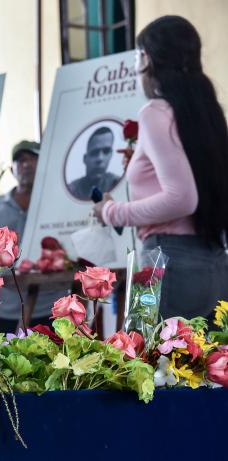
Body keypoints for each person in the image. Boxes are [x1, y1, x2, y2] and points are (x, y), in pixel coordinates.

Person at [94, 16, 228, 319]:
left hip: (170, 262)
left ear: (149, 60)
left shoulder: (155, 111)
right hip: (213, 262)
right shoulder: (205, 110)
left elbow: (182, 197)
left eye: (138, 56)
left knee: (156, 364)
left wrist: (111, 212)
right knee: (208, 366)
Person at [0, 141, 66, 332]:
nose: (27, 164)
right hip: (5, 311)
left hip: (51, 308)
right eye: (21, 160)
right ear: (11, 169)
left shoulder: (59, 205)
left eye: (33, 159)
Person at [68, 126, 121, 201]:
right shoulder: (72, 189)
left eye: (106, 151)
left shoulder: (117, 183)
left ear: (111, 155)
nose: (100, 158)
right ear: (85, 158)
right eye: (94, 152)